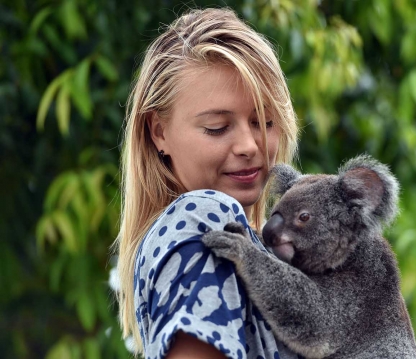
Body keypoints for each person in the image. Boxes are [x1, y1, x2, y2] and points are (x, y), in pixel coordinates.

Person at [114, 7, 300, 359]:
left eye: (265, 121)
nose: (249, 146)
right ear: (159, 132)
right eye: (217, 126)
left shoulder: (182, 241)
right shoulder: (204, 219)